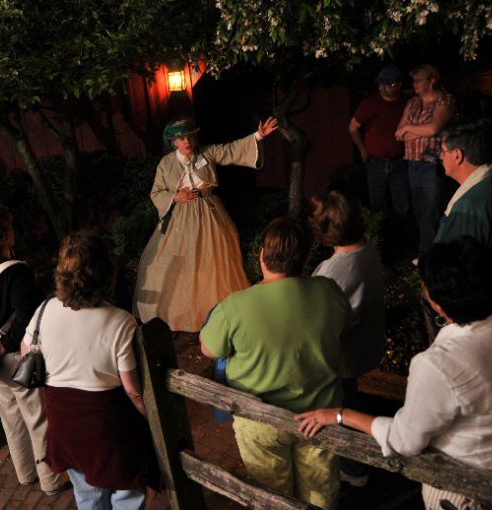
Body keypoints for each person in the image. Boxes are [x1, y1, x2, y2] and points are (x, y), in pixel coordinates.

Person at [297, 237, 492, 510]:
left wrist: (340, 414)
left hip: (474, 490)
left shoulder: (439, 364)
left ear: (438, 305)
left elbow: (405, 440)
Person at [200, 217, 350, 509]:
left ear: (262, 255)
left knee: (270, 497)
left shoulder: (234, 306)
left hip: (260, 420)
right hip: (322, 415)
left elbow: (208, 348)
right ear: (304, 258)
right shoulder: (328, 291)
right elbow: (344, 327)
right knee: (320, 494)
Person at [28, 231, 156, 510]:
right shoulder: (121, 321)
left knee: (86, 491)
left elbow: (27, 353)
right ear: (105, 272)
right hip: (108, 429)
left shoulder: (45, 310)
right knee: (127, 492)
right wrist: (151, 421)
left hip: (64, 424)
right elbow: (132, 389)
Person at [0, 203, 66, 496]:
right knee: (37, 418)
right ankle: (50, 480)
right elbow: (27, 314)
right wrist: (6, 346)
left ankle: (25, 473)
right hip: (15, 357)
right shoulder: (16, 271)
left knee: (10, 418)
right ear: (4, 234)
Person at [134, 116, 279, 333]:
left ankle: (219, 314)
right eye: (182, 139)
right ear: (173, 142)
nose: (187, 142)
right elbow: (156, 192)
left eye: (190, 137)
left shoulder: (206, 153)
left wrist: (258, 136)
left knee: (215, 258)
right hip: (180, 217)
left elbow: (230, 150)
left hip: (209, 211)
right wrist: (175, 197)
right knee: (175, 260)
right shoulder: (166, 164)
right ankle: (182, 313)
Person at [310, 191, 385, 487]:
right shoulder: (367, 250)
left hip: (344, 353)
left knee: (344, 407)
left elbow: (323, 318)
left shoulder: (336, 270)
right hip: (365, 341)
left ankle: (354, 470)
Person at [432, 118, 492, 256]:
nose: (440, 157)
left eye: (443, 151)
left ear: (457, 155)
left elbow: (451, 266)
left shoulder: (468, 207)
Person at [395, 64, 455, 258]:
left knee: (431, 211)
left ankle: (428, 255)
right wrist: (413, 130)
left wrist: (409, 129)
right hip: (412, 163)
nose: (414, 84)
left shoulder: (444, 100)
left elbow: (434, 128)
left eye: (419, 80)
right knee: (419, 211)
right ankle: (428, 251)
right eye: (413, 80)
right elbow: (399, 133)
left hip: (432, 164)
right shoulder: (412, 103)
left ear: (432, 81)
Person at [348, 65, 410, 230]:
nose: (381, 88)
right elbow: (353, 127)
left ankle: (402, 238)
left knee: (402, 203)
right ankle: (381, 238)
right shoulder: (369, 103)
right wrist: (362, 150)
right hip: (375, 161)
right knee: (377, 203)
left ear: (398, 84)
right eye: (380, 84)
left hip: (400, 161)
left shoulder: (406, 103)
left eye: (387, 84)